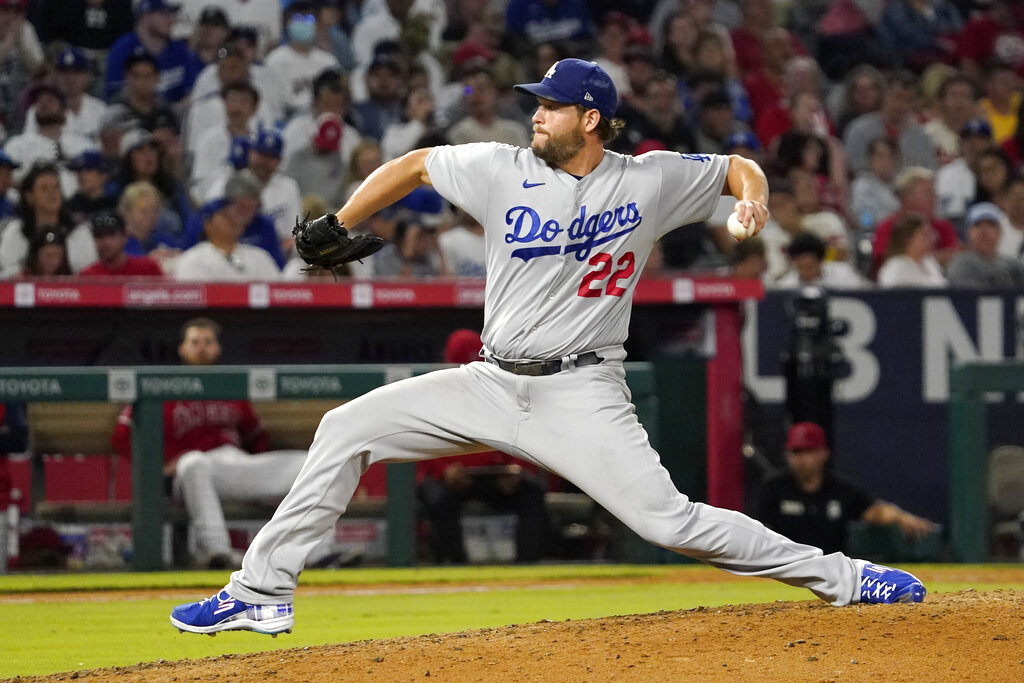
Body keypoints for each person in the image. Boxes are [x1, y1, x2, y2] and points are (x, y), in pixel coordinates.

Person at [171, 58, 927, 637]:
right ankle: (261, 593)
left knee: (671, 523)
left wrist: (754, 197)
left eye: (552, 105)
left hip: (582, 392)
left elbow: (736, 166)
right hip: (491, 379)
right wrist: (341, 214)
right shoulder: (502, 168)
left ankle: (847, 576)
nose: (537, 113)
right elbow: (414, 165)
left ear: (591, 118)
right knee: (346, 428)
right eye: (536, 102)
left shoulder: (648, 181)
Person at [111, 318, 333, 568]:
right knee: (193, 463)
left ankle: (316, 553)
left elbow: (255, 437)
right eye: (195, 342)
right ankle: (217, 551)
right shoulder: (165, 384)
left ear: (218, 349)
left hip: (234, 467)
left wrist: (265, 484)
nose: (202, 348)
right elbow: (123, 434)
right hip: (191, 473)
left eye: (208, 342)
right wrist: (160, 467)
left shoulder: (229, 386)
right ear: (182, 349)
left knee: (307, 462)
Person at [418, 329, 549, 564]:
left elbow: (521, 431)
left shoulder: (499, 390)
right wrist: (443, 471)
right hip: (450, 479)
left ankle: (527, 567)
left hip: (494, 478)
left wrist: (515, 469)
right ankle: (453, 567)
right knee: (438, 498)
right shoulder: (433, 391)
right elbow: (420, 442)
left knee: (531, 493)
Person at [751, 422, 935, 556]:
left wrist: (901, 517)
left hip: (831, 569)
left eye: (809, 451)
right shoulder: (774, 487)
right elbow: (757, 530)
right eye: (796, 452)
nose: (802, 459)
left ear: (823, 453)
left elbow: (875, 511)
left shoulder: (839, 488)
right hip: (785, 568)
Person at [172, 197, 280, 281]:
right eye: (225, 215)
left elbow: (277, 294)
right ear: (207, 224)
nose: (233, 219)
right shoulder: (193, 259)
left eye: (237, 214)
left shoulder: (260, 256)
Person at [946, 202, 1024, 289]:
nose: (984, 231)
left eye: (991, 225)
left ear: (1000, 233)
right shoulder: (960, 264)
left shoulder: (1013, 266)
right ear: (968, 233)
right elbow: (967, 295)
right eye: (977, 225)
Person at [78, 211, 164, 278]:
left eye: (111, 234)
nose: (105, 241)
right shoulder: (88, 276)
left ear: (125, 237)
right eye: (99, 236)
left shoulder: (147, 268)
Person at [877, 212, 949, 288]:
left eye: (931, 234)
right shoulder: (895, 268)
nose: (932, 239)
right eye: (925, 234)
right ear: (907, 238)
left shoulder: (930, 263)